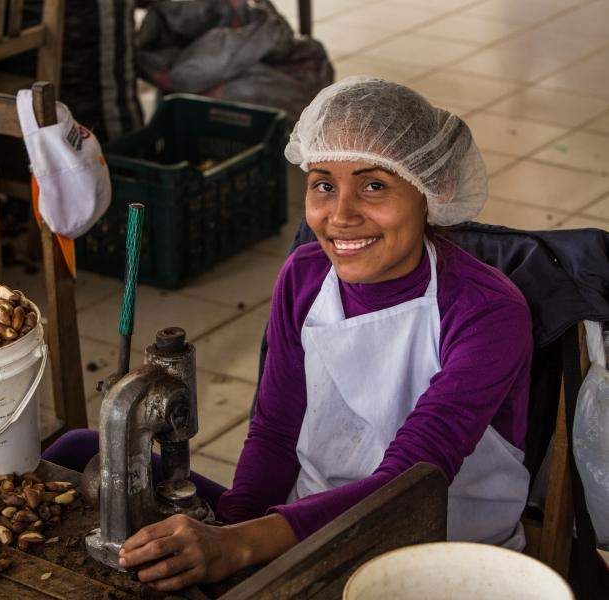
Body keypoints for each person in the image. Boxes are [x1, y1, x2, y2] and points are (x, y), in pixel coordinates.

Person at [44, 76, 533, 591]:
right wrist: (228, 531)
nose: (340, 216)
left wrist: (239, 546)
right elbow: (275, 432)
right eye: (323, 184)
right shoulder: (305, 276)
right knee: (75, 451)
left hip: (435, 551)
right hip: (306, 526)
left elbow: (411, 485)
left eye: (374, 185)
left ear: (435, 190)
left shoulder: (487, 311)